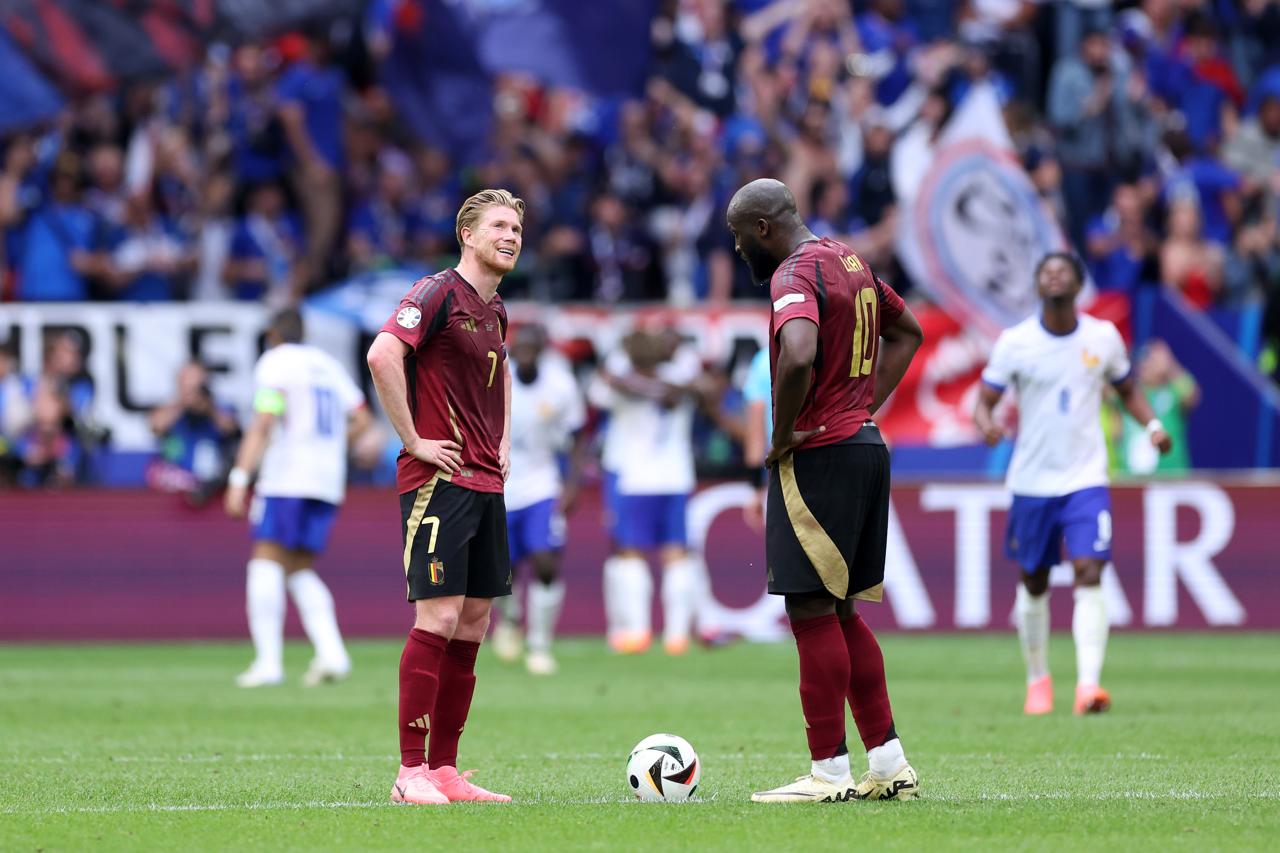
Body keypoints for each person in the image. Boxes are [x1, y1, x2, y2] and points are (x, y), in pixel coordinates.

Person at [726, 178, 924, 803]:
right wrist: (864, 405)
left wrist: (782, 433)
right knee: (841, 611)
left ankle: (828, 772)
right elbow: (909, 331)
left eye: (738, 238)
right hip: (864, 446)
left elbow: (798, 354)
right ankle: (889, 763)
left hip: (820, 455)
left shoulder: (794, 273)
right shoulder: (852, 261)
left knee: (810, 611)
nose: (738, 252)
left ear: (763, 228)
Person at [365, 188, 523, 806]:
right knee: (438, 617)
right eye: (499, 227)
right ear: (469, 235)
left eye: (516, 227)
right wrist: (413, 440)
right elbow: (383, 354)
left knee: (475, 623)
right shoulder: (436, 293)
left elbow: (500, 368)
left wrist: (505, 438)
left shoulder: (495, 309)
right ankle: (409, 773)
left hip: (486, 480)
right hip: (440, 481)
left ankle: (446, 771)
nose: (510, 236)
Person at [974, 252, 1173, 717]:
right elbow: (984, 402)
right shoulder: (1015, 343)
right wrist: (986, 424)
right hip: (1032, 480)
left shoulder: (1102, 338)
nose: (1054, 277)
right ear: (1037, 286)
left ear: (1079, 285)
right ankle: (1038, 679)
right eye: (1045, 272)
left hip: (1086, 477)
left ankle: (1088, 686)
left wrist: (1154, 426)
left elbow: (1128, 392)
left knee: (1090, 570)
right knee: (1035, 580)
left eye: (1062, 271)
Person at [224, 309, 373, 688]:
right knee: (298, 568)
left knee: (266, 560)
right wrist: (333, 452)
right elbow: (361, 419)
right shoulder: (327, 364)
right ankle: (332, 653)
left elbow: (264, 421)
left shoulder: (275, 363)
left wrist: (240, 476)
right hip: (326, 480)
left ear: (272, 334)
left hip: (288, 475)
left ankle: (268, 662)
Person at [590, 326, 708, 656]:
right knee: (676, 554)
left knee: (631, 553)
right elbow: (700, 389)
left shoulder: (620, 379)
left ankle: (638, 631)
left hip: (635, 478)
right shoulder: (680, 375)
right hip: (676, 476)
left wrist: (633, 381)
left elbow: (597, 393)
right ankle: (676, 635)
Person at [491, 322, 588, 675]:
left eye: (534, 348)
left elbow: (578, 436)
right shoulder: (496, 379)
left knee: (546, 562)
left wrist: (574, 485)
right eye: (522, 347)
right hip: (500, 485)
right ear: (513, 350)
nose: (527, 354)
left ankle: (540, 644)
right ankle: (511, 619)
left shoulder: (561, 384)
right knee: (505, 570)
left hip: (542, 485)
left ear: (543, 350)